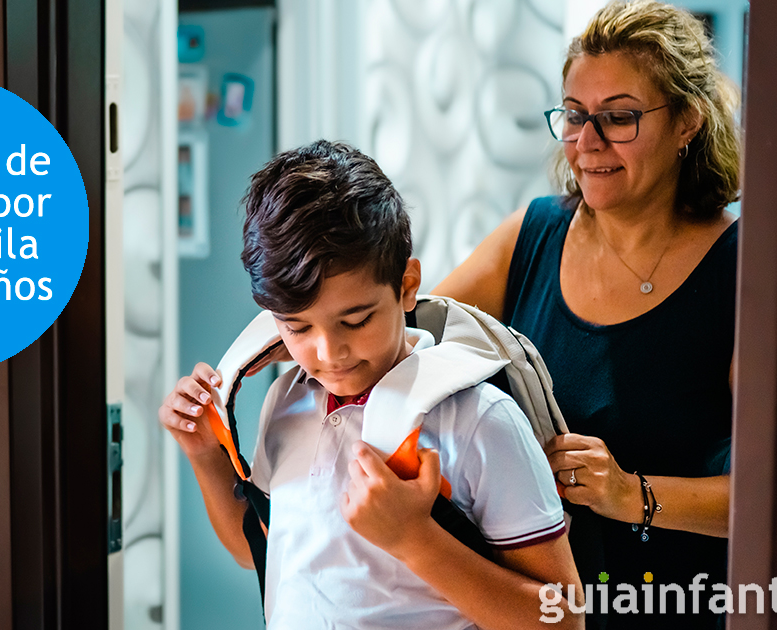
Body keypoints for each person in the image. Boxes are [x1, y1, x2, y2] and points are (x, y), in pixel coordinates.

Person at [159, 140, 583, 629]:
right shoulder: (287, 400)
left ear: (406, 286)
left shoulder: (478, 420)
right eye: (297, 328)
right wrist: (203, 454)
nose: (328, 353)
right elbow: (258, 550)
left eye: (356, 320)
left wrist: (414, 541)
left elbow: (564, 621)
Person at [434, 2, 741, 628]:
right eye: (574, 117)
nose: (587, 143)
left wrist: (629, 493)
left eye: (619, 118)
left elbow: (776, 495)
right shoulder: (532, 235)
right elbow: (405, 347)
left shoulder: (741, 272)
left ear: (688, 122)